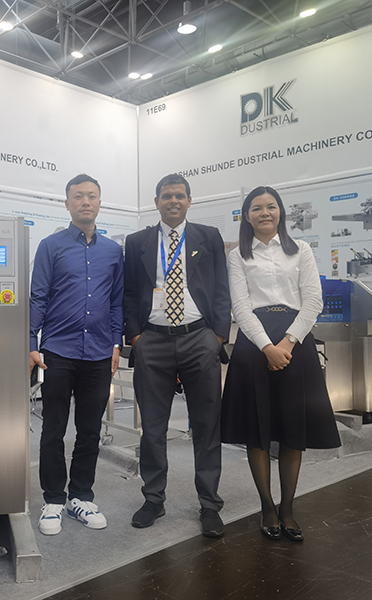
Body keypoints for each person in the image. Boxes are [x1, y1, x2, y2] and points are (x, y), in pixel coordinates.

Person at [221, 186, 341, 542]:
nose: (265, 213)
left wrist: (286, 344)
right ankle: (267, 507)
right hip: (254, 345)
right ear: (247, 216)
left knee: (293, 429)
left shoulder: (300, 249)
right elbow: (240, 307)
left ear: (280, 212)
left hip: (295, 343)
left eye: (271, 206)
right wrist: (266, 347)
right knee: (257, 431)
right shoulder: (238, 256)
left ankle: (287, 508)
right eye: (257, 208)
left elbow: (313, 301)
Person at [124, 174, 230, 537]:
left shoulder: (208, 236)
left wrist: (217, 337)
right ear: (156, 202)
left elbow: (221, 289)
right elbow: (128, 293)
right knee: (153, 428)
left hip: (199, 338)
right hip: (152, 341)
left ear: (189, 201)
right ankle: (153, 499)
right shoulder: (137, 242)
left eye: (180, 195)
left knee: (206, 424)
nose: (173, 201)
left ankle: (210, 504)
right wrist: (136, 337)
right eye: (167, 196)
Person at [30, 174, 124, 536]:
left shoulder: (113, 251)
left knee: (90, 430)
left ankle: (81, 497)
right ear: (67, 203)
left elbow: (116, 302)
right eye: (79, 196)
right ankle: (54, 499)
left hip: (99, 352)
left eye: (92, 196)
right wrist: (31, 342)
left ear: (100, 203)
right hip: (58, 350)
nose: (86, 202)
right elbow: (39, 296)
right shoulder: (50, 246)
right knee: (53, 427)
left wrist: (115, 343)